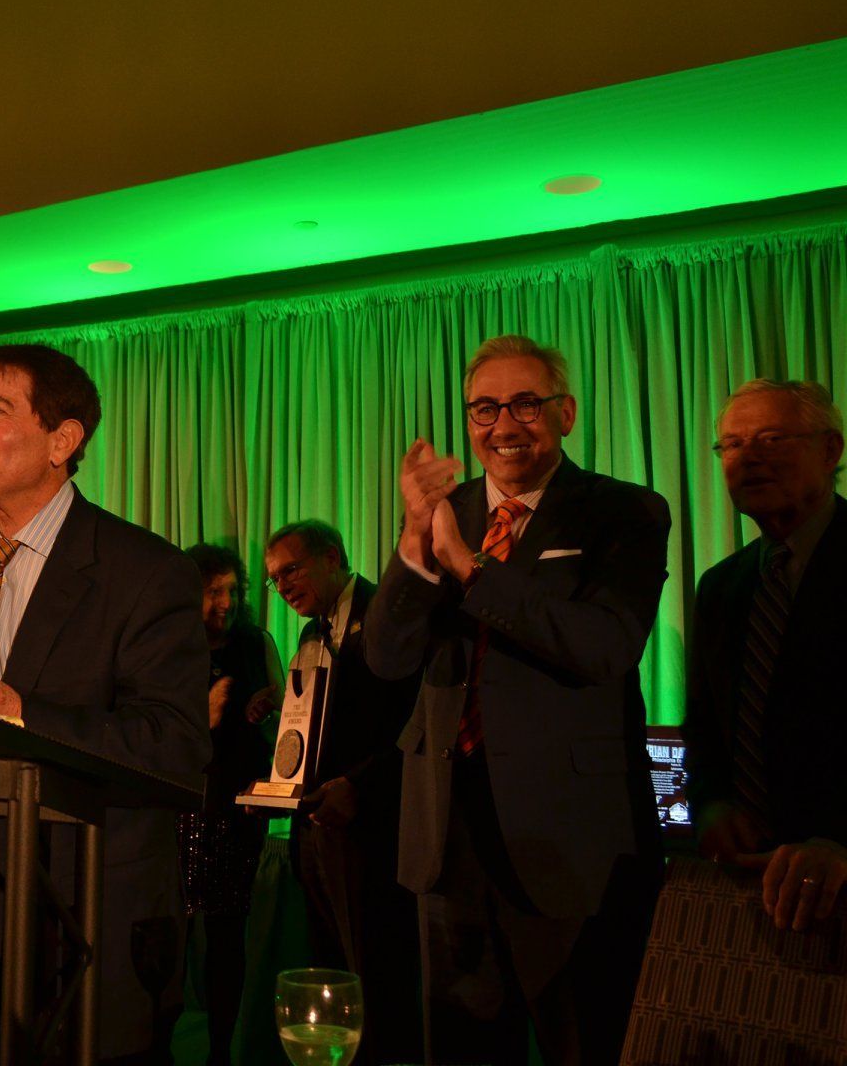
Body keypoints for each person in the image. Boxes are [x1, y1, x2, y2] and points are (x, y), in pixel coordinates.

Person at [0, 343, 210, 1062]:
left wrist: (21, 713)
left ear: (62, 441)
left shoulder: (146, 570)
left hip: (86, 914)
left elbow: (175, 745)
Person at [362, 335, 667, 1066]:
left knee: (584, 1041)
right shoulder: (442, 511)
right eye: (485, 408)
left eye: (526, 404)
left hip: (569, 840)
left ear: (563, 412)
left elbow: (602, 647)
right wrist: (412, 542)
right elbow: (386, 656)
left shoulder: (623, 512)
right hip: (445, 837)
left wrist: (470, 569)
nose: (504, 425)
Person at [685, 378, 847, 932]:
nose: (749, 457)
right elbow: (705, 730)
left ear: (831, 450)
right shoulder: (720, 587)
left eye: (773, 438)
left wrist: (838, 841)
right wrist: (710, 804)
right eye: (731, 445)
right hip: (749, 890)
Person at [262, 519, 421, 1066]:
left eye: (291, 570)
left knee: (376, 972)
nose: (282, 587)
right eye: (274, 580)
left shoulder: (385, 614)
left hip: (374, 828)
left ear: (332, 557)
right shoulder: (309, 634)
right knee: (330, 968)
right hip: (314, 827)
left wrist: (359, 786)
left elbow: (413, 726)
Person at [176, 542, 281, 1066]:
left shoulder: (255, 643)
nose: (227, 601)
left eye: (234, 590)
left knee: (226, 939)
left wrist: (269, 704)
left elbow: (289, 713)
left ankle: (221, 1051)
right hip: (177, 808)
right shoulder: (168, 647)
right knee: (169, 936)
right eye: (213, 591)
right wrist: (203, 713)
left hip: (238, 810)